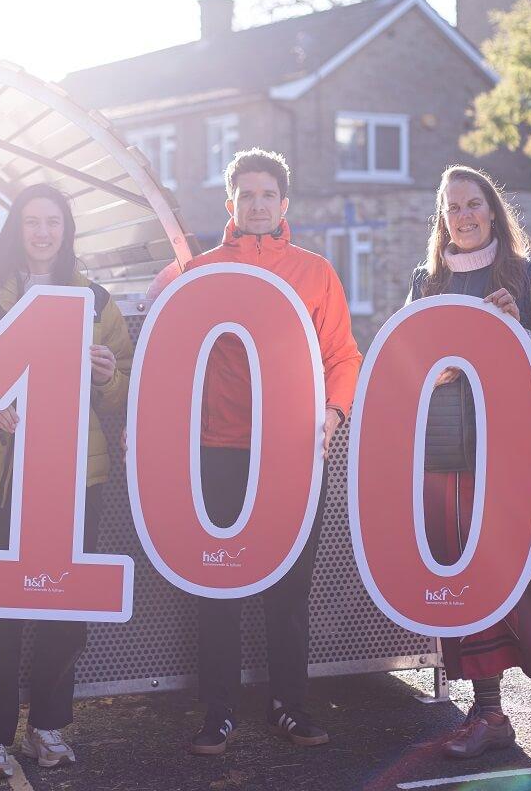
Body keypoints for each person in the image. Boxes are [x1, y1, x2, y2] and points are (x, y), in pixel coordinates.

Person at [0, 183, 133, 780]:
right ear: (16, 230)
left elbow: (126, 387)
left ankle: (49, 725)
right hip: (3, 481)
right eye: (32, 222)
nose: (43, 232)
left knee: (66, 608)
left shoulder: (95, 303)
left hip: (74, 480)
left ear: (67, 230)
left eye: (53, 222)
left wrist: (105, 375)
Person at [184, 148, 362, 756]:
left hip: (293, 455)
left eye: (268, 195)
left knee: (289, 588)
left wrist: (335, 412)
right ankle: (219, 711)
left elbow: (343, 355)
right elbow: (171, 356)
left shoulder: (316, 272)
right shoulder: (199, 272)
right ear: (229, 203)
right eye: (247, 194)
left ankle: (290, 705)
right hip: (219, 451)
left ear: (284, 205)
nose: (257, 205)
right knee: (219, 584)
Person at [407, 165, 531, 760]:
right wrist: (439, 370)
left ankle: (489, 716)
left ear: (493, 211)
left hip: (512, 456)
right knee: (462, 583)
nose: (463, 216)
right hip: (445, 455)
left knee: (510, 582)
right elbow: (405, 371)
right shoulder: (426, 282)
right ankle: (488, 713)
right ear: (442, 219)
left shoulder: (527, 275)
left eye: (473, 204)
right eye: (452, 207)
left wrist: (513, 331)